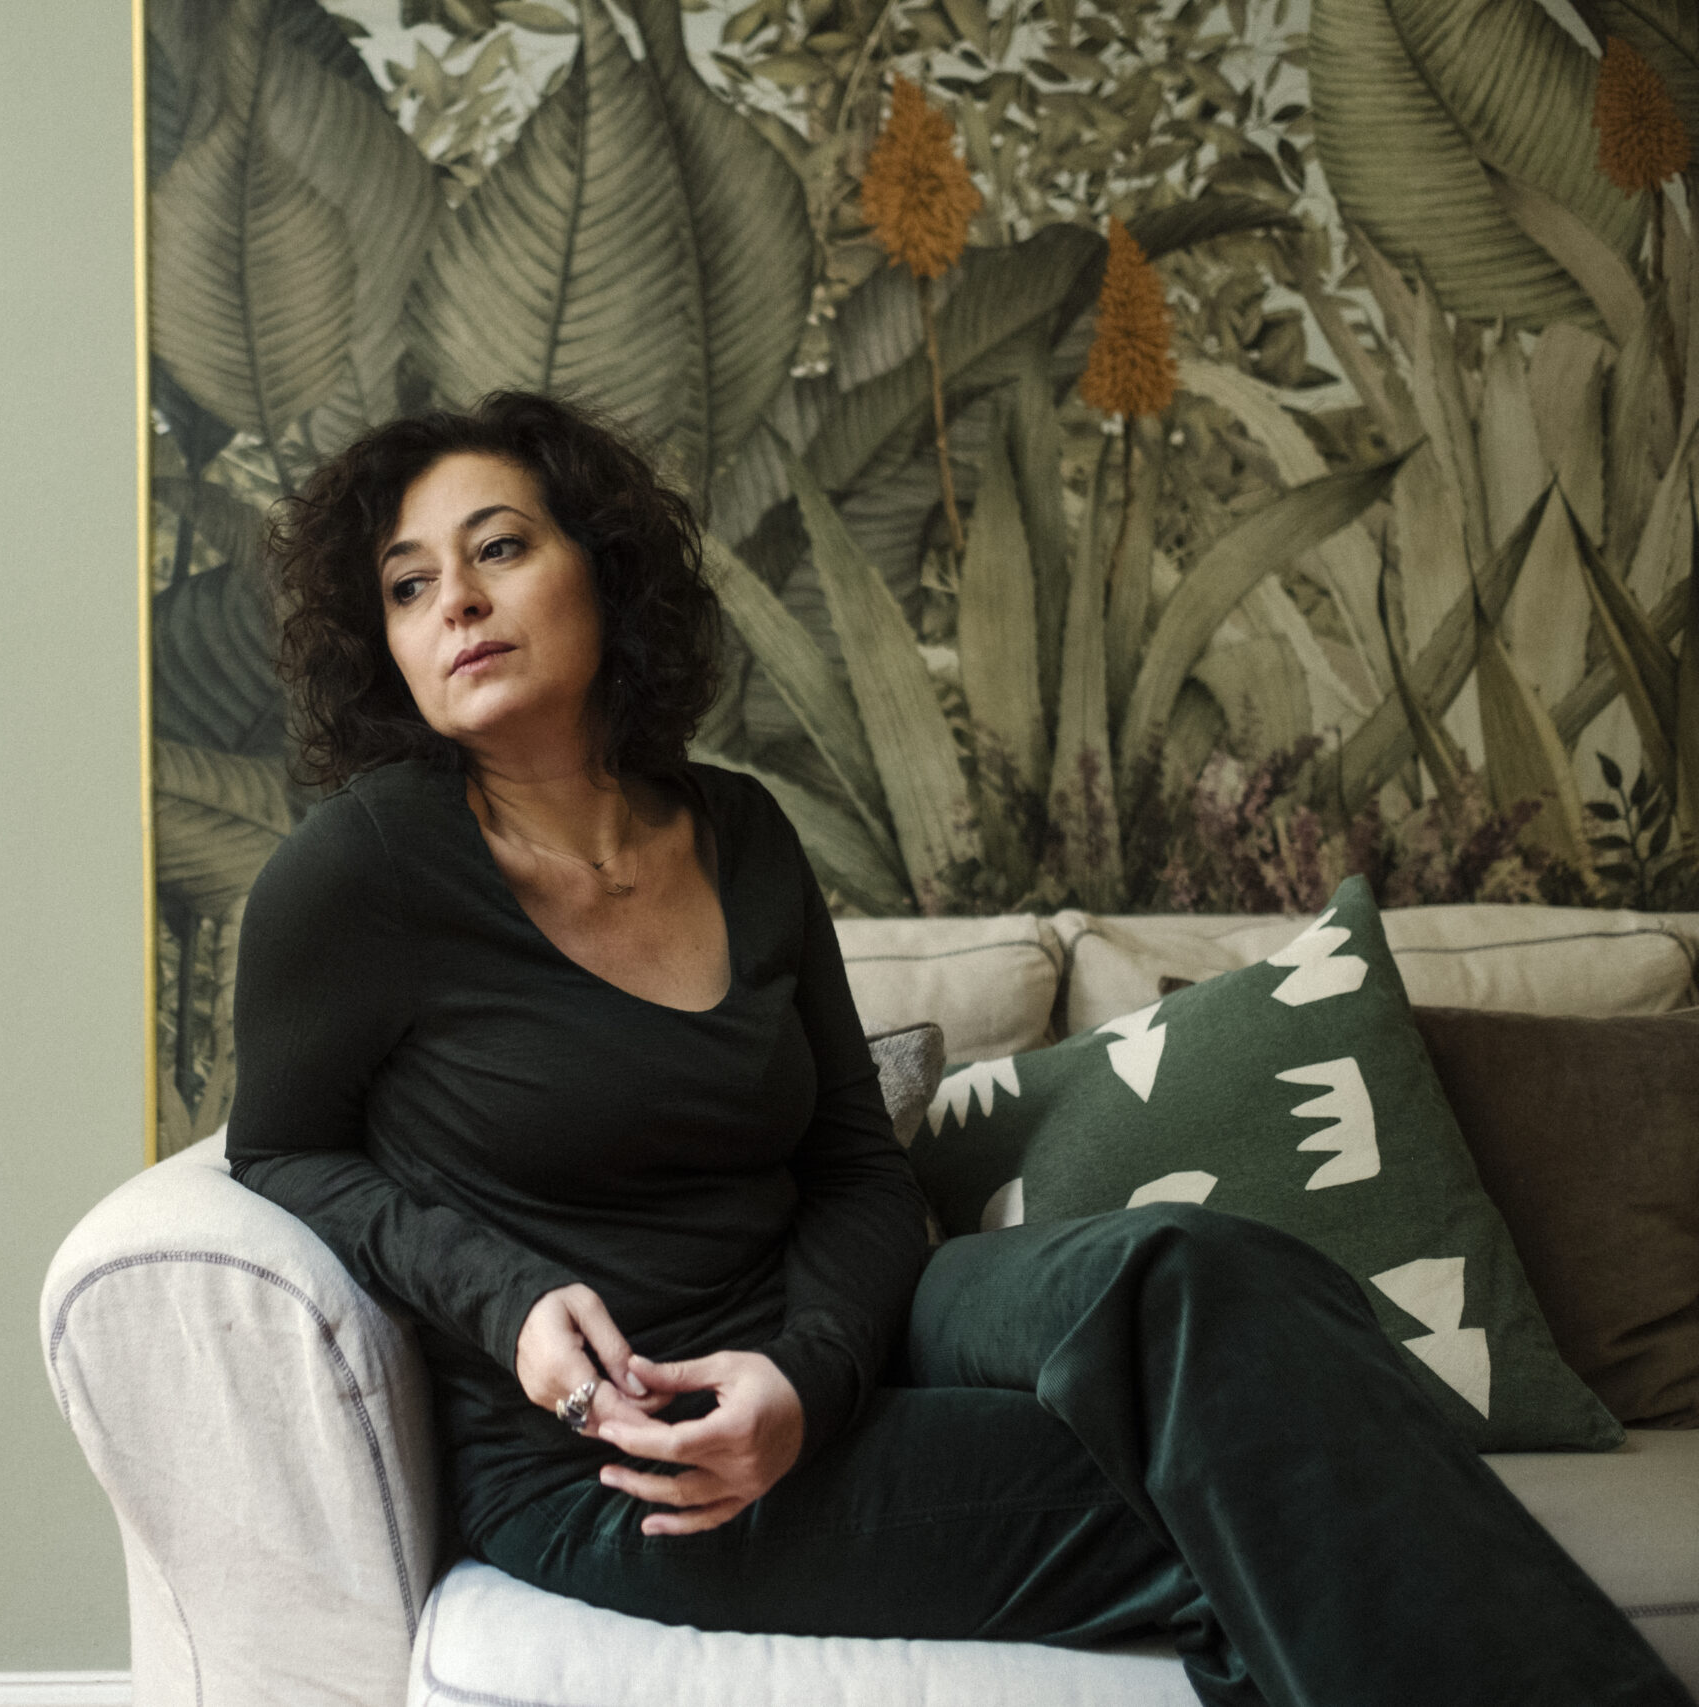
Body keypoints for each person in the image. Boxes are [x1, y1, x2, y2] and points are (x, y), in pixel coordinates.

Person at [221, 391, 1688, 1707]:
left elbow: (855, 1165)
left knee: (1195, 1270)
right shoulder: (359, 875)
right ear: (384, 646)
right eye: (408, 585)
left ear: (602, 569)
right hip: (638, 1458)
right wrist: (509, 1300)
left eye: (499, 548)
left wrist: (813, 1371)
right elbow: (280, 1150)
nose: (457, 602)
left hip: (849, 1332)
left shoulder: (739, 833)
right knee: (1268, 1490)